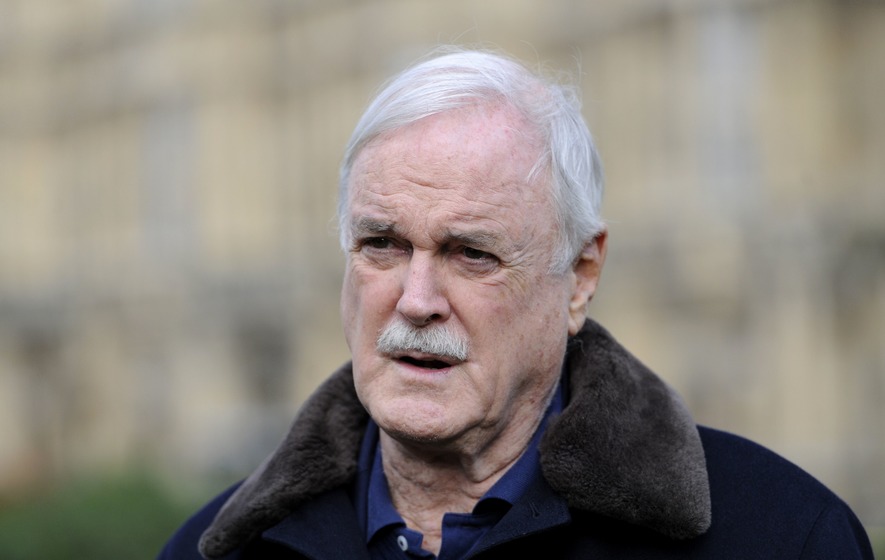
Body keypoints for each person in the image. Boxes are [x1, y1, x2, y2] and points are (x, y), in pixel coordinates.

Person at [159, 47, 874, 559]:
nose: (416, 300)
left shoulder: (781, 536)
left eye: (472, 254)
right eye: (381, 244)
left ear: (581, 276)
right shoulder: (217, 547)